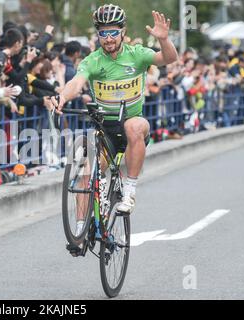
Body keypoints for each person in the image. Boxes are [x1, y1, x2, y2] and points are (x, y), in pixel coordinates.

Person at [51, 4, 178, 224]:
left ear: (123, 32)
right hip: (105, 130)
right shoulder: (92, 60)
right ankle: (81, 227)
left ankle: (129, 191)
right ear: (98, 35)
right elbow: (76, 82)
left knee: (134, 126)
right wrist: (62, 97)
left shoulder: (136, 55)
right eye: (103, 33)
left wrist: (164, 39)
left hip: (133, 126)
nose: (108, 39)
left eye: (113, 33)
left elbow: (168, 59)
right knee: (85, 172)